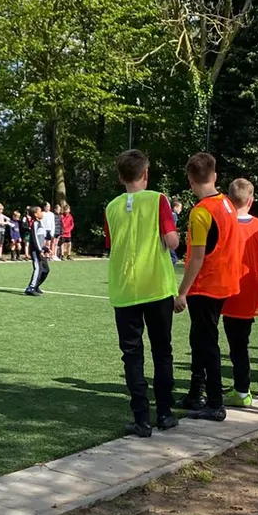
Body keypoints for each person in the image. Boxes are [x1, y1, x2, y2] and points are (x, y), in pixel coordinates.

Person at [105, 149, 181, 437]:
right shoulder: (158, 199)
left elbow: (112, 245)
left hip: (125, 290)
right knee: (162, 351)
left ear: (120, 177)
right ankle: (164, 412)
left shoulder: (111, 207)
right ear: (145, 174)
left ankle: (140, 418)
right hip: (157, 287)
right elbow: (172, 241)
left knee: (132, 354)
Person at [175, 152, 244, 422]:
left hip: (207, 285)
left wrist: (182, 292)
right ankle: (197, 391)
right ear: (214, 176)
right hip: (224, 281)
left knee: (206, 343)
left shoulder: (201, 212)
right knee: (200, 338)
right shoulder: (226, 203)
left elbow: (197, 256)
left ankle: (214, 401)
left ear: (190, 180)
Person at [221, 178, 258, 409]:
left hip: (228, 291)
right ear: (251, 200)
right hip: (250, 291)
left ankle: (241, 389)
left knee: (235, 344)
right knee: (241, 342)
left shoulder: (224, 222)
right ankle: (240, 387)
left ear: (229, 199)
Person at [26, 203, 51, 295]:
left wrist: (46, 248)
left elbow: (40, 240)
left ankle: (36, 285)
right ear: (36, 214)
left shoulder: (40, 224)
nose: (42, 213)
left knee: (46, 269)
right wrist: (39, 250)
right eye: (40, 211)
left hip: (40, 250)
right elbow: (35, 238)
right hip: (35, 251)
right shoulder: (35, 224)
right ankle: (31, 288)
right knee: (38, 268)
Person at [170, 198, 184, 265]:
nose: (181, 210)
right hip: (170, 238)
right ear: (175, 207)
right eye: (180, 208)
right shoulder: (174, 215)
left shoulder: (170, 214)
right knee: (174, 258)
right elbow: (171, 227)